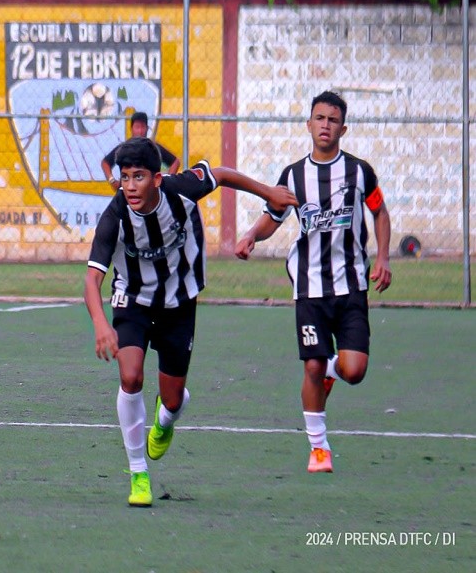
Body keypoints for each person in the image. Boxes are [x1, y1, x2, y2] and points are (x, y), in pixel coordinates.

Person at [84, 137, 298, 506]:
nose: (130, 186)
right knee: (130, 375)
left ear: (157, 179)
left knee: (172, 399)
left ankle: (165, 420)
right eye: (124, 178)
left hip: (179, 301)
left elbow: (222, 174)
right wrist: (102, 325)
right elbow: (91, 280)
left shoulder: (180, 189)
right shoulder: (114, 216)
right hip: (133, 300)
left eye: (138, 177)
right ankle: (138, 474)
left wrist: (268, 193)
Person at [235, 90, 392, 474]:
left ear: (343, 127)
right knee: (311, 367)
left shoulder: (359, 172)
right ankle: (318, 447)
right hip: (309, 288)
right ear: (309, 124)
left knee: (354, 370)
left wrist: (384, 258)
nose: (325, 125)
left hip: (352, 285)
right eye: (319, 118)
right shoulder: (292, 176)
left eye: (333, 120)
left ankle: (330, 371)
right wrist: (253, 235)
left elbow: (380, 212)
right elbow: (274, 215)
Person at [101, 111, 180, 191]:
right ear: (131, 129)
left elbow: (175, 162)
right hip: (126, 192)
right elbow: (105, 163)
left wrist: (165, 182)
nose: (140, 131)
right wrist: (112, 180)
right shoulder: (123, 148)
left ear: (147, 128)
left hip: (149, 194)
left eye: (143, 127)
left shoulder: (153, 148)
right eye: (137, 127)